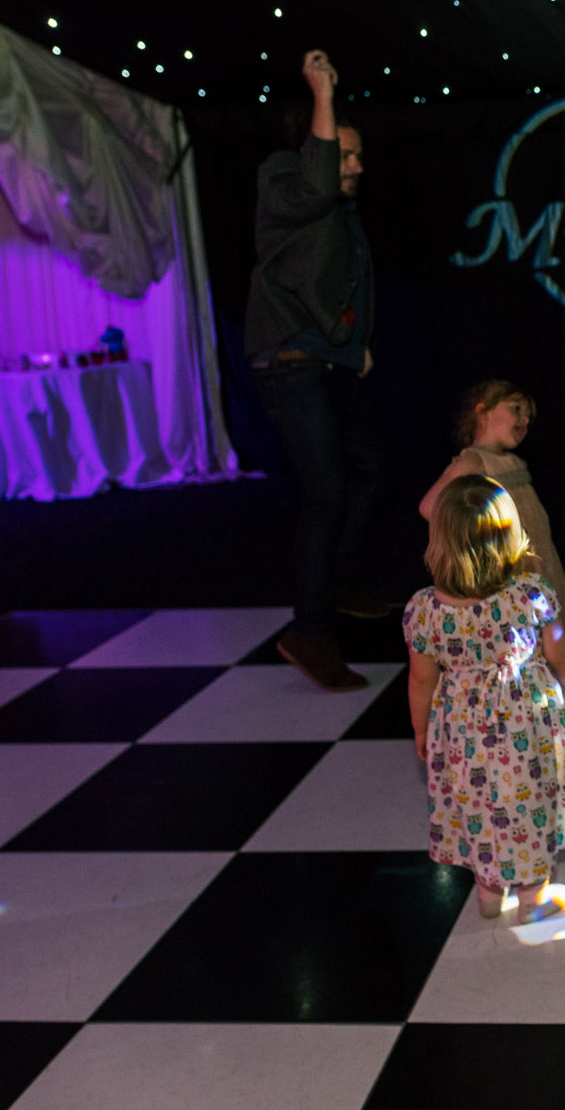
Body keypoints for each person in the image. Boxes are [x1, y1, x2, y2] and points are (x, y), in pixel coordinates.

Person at [244, 48, 384, 693]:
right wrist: (323, 92)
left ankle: (337, 581)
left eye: (357, 155)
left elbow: (345, 285)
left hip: (331, 363)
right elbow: (319, 182)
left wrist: (358, 347)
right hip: (292, 363)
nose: (355, 165)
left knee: (365, 476)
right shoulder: (283, 180)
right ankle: (309, 629)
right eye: (344, 152)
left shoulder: (338, 211)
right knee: (326, 492)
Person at [407, 475, 565, 922]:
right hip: (524, 729)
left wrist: (421, 728)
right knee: (527, 804)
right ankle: (533, 897)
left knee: (478, 803)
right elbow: (564, 659)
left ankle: (489, 894)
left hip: (462, 732)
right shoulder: (530, 597)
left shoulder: (424, 610)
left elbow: (421, 680)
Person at [418, 380, 565, 629]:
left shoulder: (514, 461)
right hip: (510, 562)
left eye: (528, 417)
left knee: (549, 617)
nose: (525, 421)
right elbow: (430, 506)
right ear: (483, 413)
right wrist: (479, 535)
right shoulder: (473, 461)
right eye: (516, 409)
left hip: (536, 555)